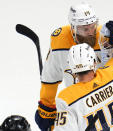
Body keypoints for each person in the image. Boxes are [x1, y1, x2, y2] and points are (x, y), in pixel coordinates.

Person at [34, 2, 103, 130]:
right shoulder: (60, 40)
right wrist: (46, 106)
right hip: (76, 104)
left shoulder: (105, 38)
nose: (91, 33)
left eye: (93, 27)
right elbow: (50, 77)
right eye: (85, 29)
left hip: (104, 101)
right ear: (73, 28)